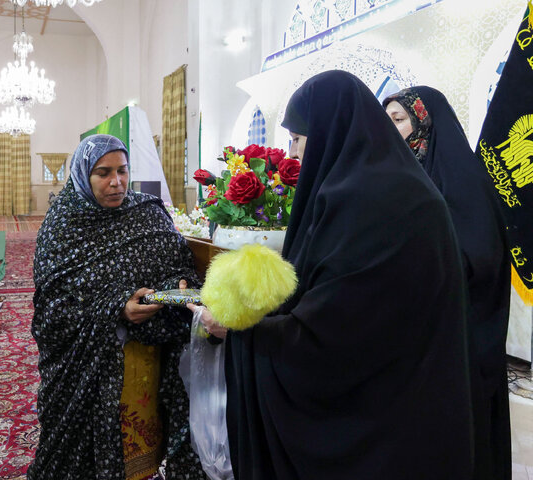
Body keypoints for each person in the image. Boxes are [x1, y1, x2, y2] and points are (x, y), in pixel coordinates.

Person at [194, 71, 473, 480]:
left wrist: (242, 331)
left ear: (329, 132)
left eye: (298, 139)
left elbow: (335, 337)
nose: (292, 155)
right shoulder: (370, 190)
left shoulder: (380, 205)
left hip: (389, 428)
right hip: (401, 409)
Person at [28, 134, 204, 480]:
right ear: (83, 175)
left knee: (143, 450)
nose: (116, 182)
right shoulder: (63, 224)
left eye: (122, 171)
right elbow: (52, 310)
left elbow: (177, 262)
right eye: (103, 173)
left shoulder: (146, 213)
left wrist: (180, 285)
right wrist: (117, 308)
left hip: (148, 362)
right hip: (89, 368)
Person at [384, 86, 511, 480]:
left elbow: (482, 260)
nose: (390, 131)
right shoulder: (401, 179)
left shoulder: (461, 181)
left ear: (425, 121)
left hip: (460, 345)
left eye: (398, 120)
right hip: (416, 342)